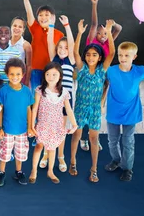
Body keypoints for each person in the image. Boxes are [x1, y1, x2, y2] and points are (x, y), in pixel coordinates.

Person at [69, 19, 116, 183]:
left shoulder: (102, 70)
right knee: (76, 136)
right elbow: (75, 53)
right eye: (88, 55)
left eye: (94, 55)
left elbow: (111, 54)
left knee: (94, 139)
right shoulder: (81, 69)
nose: (90, 57)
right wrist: (80, 34)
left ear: (99, 57)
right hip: (80, 108)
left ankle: (94, 169)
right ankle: (73, 162)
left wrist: (109, 32)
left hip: (95, 109)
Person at [104, 41, 144, 182]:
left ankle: (127, 168)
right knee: (112, 140)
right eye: (120, 55)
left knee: (128, 141)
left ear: (134, 56)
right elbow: (104, 83)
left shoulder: (139, 71)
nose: (123, 58)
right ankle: (116, 160)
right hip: (113, 111)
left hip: (131, 112)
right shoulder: (111, 71)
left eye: (126, 55)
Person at [82, 0, 123, 153]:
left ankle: (94, 138)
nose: (103, 36)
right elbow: (93, 24)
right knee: (87, 110)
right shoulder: (92, 42)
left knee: (96, 112)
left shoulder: (109, 41)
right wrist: (94, 4)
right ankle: (84, 139)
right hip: (90, 79)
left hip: (103, 82)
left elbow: (119, 29)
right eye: (100, 33)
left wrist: (111, 26)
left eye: (105, 34)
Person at [29, 62, 78, 184]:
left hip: (56, 126)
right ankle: (33, 170)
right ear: (44, 75)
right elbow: (34, 108)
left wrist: (74, 124)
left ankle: (50, 171)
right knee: (39, 147)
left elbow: (69, 109)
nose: (51, 77)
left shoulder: (64, 92)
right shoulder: (40, 90)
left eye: (54, 74)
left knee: (52, 149)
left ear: (60, 76)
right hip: (43, 125)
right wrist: (31, 125)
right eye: (48, 74)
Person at [43, 15, 76, 173]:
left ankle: (61, 156)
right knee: (48, 126)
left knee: (61, 128)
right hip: (50, 99)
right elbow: (50, 42)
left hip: (65, 100)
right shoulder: (54, 59)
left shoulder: (71, 60)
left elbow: (71, 42)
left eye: (65, 47)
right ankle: (45, 154)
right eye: (60, 47)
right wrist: (51, 26)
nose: (62, 50)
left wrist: (67, 25)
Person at [0, 58, 34, 187]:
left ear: (23, 74)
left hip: (22, 130)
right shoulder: (4, 91)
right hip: (7, 129)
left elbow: (29, 109)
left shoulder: (27, 91)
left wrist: (30, 127)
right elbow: (0, 110)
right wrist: (0, 128)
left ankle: (19, 171)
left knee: (20, 152)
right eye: (11, 74)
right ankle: (1, 172)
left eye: (18, 74)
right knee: (4, 152)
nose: (15, 77)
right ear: (7, 74)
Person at [22, 0, 64, 91]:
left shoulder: (59, 34)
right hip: (36, 70)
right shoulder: (35, 28)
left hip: (51, 72)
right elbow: (29, 12)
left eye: (47, 15)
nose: (43, 17)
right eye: (40, 15)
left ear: (53, 17)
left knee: (48, 98)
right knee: (35, 98)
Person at [8, 17, 32, 85]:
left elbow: (29, 65)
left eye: (20, 27)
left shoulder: (26, 45)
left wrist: (26, 82)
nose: (17, 28)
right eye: (15, 25)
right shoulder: (5, 43)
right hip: (6, 76)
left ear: (23, 30)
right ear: (11, 27)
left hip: (19, 77)